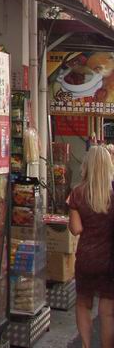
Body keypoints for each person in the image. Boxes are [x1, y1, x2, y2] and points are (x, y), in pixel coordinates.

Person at [68, 144, 114, 348]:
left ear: (87, 165)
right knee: (108, 311)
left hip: (87, 258)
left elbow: (75, 229)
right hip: (110, 260)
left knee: (83, 304)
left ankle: (86, 346)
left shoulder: (77, 193)